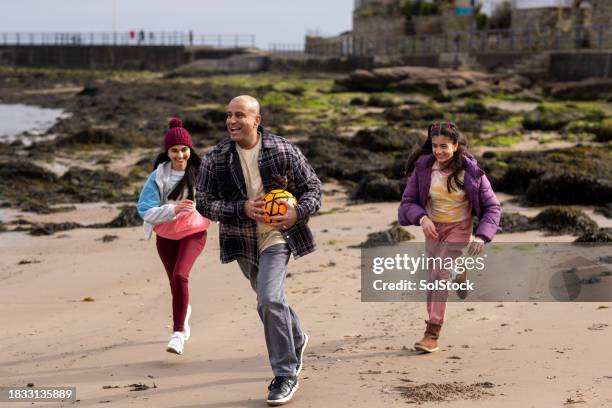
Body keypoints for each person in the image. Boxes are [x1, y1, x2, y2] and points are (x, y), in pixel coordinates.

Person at [196, 95, 321, 406]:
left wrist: (296, 213)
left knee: (268, 298)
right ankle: (297, 337)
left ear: (256, 120)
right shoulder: (216, 158)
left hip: (278, 236)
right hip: (242, 239)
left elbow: (313, 189)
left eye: (239, 115)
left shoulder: (282, 150)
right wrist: (242, 208)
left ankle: (285, 374)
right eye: (228, 115)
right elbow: (203, 201)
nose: (232, 121)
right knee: (270, 299)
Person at [398, 122, 501, 353]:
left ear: (455, 146)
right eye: (435, 146)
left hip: (459, 229)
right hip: (433, 229)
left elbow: (493, 207)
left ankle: (432, 333)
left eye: (444, 146)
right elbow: (408, 202)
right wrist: (422, 219)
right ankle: (460, 271)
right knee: (434, 276)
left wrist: (482, 237)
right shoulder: (424, 169)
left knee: (439, 274)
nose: (439, 151)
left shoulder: (471, 172)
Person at [137, 118, 210, 355]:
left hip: (193, 233)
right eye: (174, 150)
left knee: (180, 276)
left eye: (184, 149)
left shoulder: (201, 173)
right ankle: (184, 312)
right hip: (166, 236)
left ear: (190, 150)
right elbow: (144, 209)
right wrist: (172, 209)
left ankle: (178, 333)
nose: (180, 155)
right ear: (167, 152)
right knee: (174, 283)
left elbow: (219, 197)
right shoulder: (158, 177)